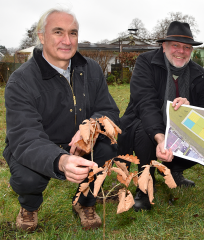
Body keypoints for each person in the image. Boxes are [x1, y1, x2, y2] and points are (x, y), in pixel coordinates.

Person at [3, 8, 120, 231]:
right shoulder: (21, 80)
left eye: (73, 33)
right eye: (58, 32)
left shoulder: (91, 69)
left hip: (80, 143)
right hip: (38, 145)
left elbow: (109, 111)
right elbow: (25, 136)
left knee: (107, 149)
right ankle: (29, 206)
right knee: (28, 177)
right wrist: (60, 159)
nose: (67, 41)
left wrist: (91, 128)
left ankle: (85, 202)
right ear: (41, 36)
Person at [118, 21, 204, 211]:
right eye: (175, 45)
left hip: (178, 128)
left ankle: (173, 171)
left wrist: (190, 108)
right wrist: (160, 137)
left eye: (186, 47)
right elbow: (146, 104)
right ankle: (144, 186)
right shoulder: (146, 62)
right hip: (145, 125)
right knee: (145, 131)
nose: (181, 51)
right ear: (164, 46)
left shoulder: (198, 73)